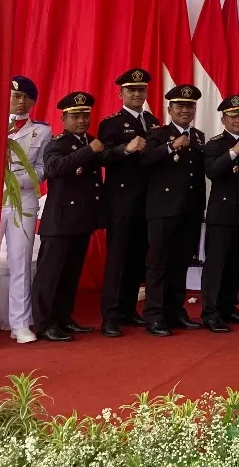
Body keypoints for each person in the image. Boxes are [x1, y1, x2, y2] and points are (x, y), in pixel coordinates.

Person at [31, 91, 103, 342]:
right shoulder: (57, 144)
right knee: (50, 276)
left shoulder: (91, 141)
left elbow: (106, 157)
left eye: (85, 115)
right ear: (64, 119)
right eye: (76, 116)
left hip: (82, 219)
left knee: (70, 274)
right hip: (59, 222)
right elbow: (54, 168)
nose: (82, 120)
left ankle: (63, 318)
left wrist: (125, 150)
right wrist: (88, 151)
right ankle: (44, 324)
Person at [140, 84, 207, 337]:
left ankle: (175, 311)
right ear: (170, 109)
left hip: (189, 209)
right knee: (158, 264)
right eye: (180, 106)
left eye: (190, 106)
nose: (185, 110)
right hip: (163, 209)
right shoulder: (158, 134)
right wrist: (171, 146)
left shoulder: (198, 136)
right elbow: (144, 160)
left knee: (180, 263)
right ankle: (155, 315)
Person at [98, 67, 159, 337]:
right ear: (121, 93)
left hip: (148, 200)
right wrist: (125, 149)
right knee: (118, 259)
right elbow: (102, 157)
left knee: (137, 257)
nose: (137, 94)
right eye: (131, 90)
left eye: (141, 89)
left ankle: (127, 309)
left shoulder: (153, 120)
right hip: (121, 200)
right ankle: (110, 316)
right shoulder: (111, 123)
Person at [0, 75, 48, 344]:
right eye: (16, 96)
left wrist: (18, 180)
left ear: (33, 102)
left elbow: (42, 168)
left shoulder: (42, 131)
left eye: (26, 98)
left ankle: (19, 323)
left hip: (23, 201)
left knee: (21, 262)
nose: (20, 102)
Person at [200, 94, 239, 333]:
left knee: (235, 263)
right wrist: (232, 152)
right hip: (221, 214)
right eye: (233, 116)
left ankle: (227, 306)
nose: (238, 120)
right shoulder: (215, 144)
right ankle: (210, 313)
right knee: (216, 264)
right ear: (223, 119)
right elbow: (212, 171)